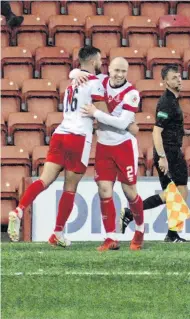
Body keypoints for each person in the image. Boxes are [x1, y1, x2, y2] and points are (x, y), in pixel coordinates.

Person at [7, 46, 105, 245]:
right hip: (78, 137)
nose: (101, 63)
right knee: (70, 187)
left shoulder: (72, 82)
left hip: (60, 133)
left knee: (45, 179)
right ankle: (57, 233)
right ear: (94, 61)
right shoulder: (94, 83)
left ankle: (19, 210)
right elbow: (102, 114)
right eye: (100, 60)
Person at [120, 64, 190, 243]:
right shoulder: (166, 102)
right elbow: (156, 131)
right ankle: (167, 231)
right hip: (168, 153)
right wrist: (162, 157)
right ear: (166, 82)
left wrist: (185, 132)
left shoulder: (174, 100)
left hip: (173, 152)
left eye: (179, 76)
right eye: (174, 78)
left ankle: (169, 232)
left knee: (178, 193)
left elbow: (171, 126)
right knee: (177, 193)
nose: (179, 79)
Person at [78, 57, 144, 251]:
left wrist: (96, 114)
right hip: (104, 146)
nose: (119, 75)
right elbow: (76, 74)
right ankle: (111, 237)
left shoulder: (131, 93)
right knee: (104, 190)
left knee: (129, 192)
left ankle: (139, 230)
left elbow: (123, 124)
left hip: (123, 146)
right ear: (109, 70)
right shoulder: (100, 81)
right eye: (116, 70)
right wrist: (76, 73)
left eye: (123, 71)